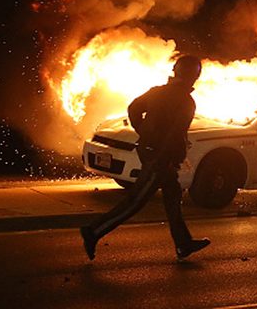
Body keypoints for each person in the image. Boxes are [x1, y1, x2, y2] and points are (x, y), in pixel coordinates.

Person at [80, 55, 210, 262]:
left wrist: (144, 133)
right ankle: (94, 231)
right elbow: (174, 133)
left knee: (173, 197)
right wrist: (165, 156)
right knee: (136, 201)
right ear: (194, 76)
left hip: (152, 151)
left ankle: (183, 243)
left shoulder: (157, 92)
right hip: (161, 158)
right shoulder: (185, 101)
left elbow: (133, 109)